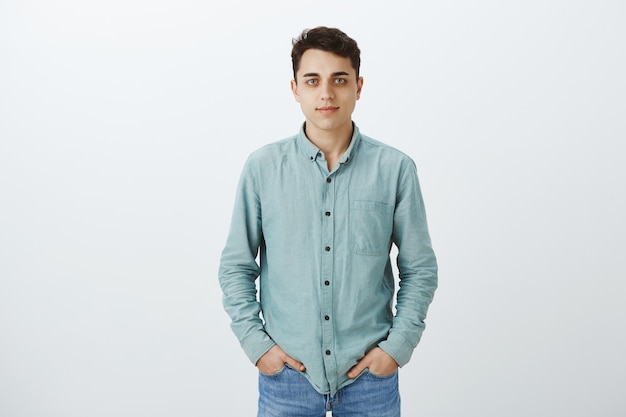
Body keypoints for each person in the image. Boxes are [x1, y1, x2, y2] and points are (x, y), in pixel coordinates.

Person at [218, 26, 438, 417]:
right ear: (295, 88)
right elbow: (236, 267)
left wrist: (397, 347)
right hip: (286, 379)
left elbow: (419, 269)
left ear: (359, 85)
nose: (326, 93)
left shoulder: (395, 170)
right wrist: (257, 346)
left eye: (340, 79)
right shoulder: (263, 169)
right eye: (312, 80)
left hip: (370, 381)